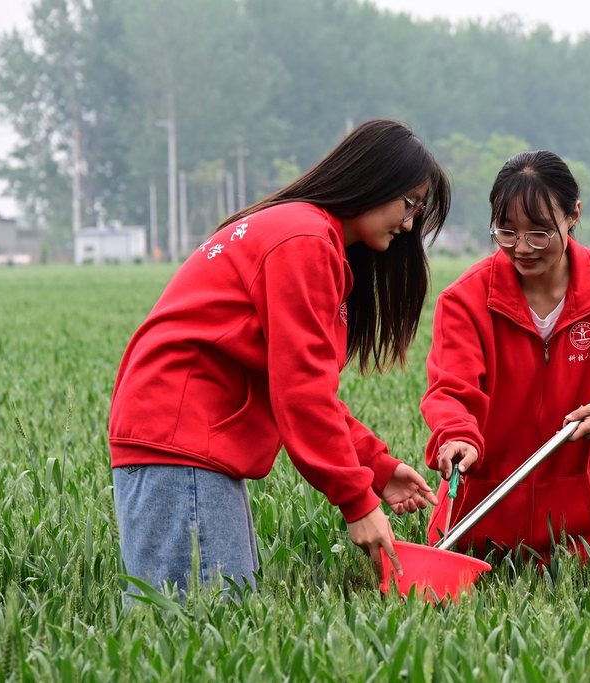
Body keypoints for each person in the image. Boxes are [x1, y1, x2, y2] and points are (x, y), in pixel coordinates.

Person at [110, 119, 449, 594]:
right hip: (181, 442)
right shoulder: (303, 240)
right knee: (198, 631)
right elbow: (301, 392)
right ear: (375, 179)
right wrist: (357, 501)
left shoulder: (302, 232)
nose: (410, 222)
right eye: (410, 203)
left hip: (187, 444)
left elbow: (297, 384)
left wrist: (377, 468)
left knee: (217, 623)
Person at [421, 150, 590, 565]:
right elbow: (451, 389)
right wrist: (456, 435)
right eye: (506, 232)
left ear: (573, 216)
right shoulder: (465, 299)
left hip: (576, 536)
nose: (522, 248)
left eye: (539, 233)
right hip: (474, 528)